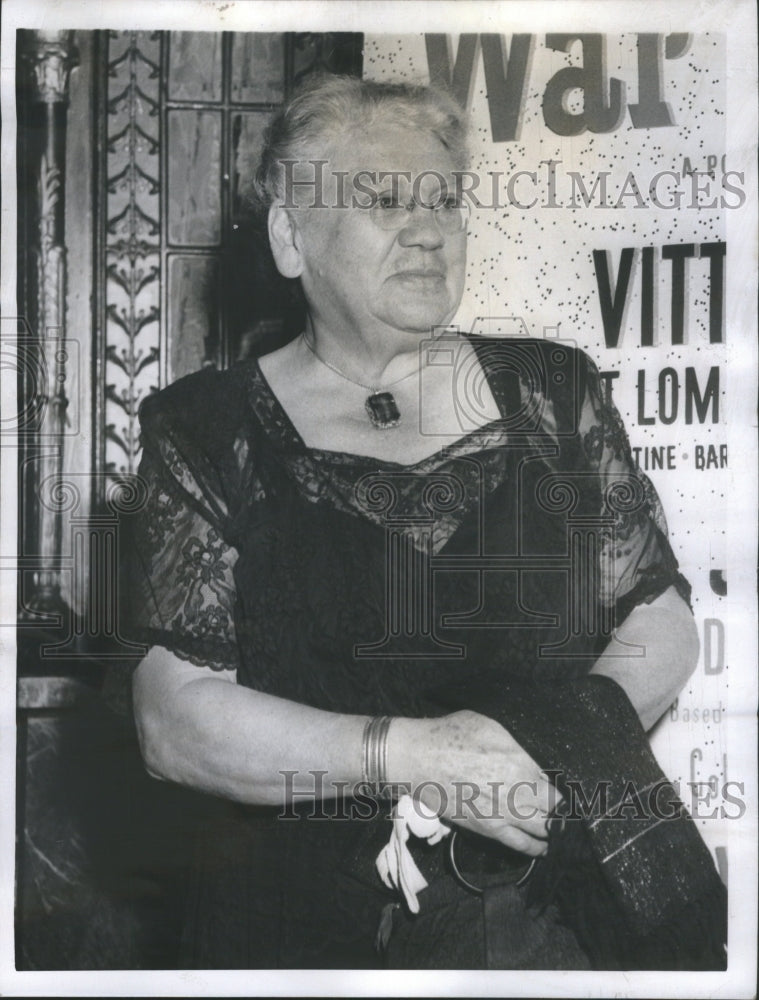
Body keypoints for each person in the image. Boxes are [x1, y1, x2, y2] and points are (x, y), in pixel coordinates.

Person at [127, 75, 726, 970]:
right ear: (292, 239)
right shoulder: (208, 431)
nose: (426, 228)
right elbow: (172, 720)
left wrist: (538, 757)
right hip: (299, 930)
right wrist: (412, 757)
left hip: (552, 910)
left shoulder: (553, 393)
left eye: (444, 200)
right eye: (381, 199)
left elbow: (659, 621)